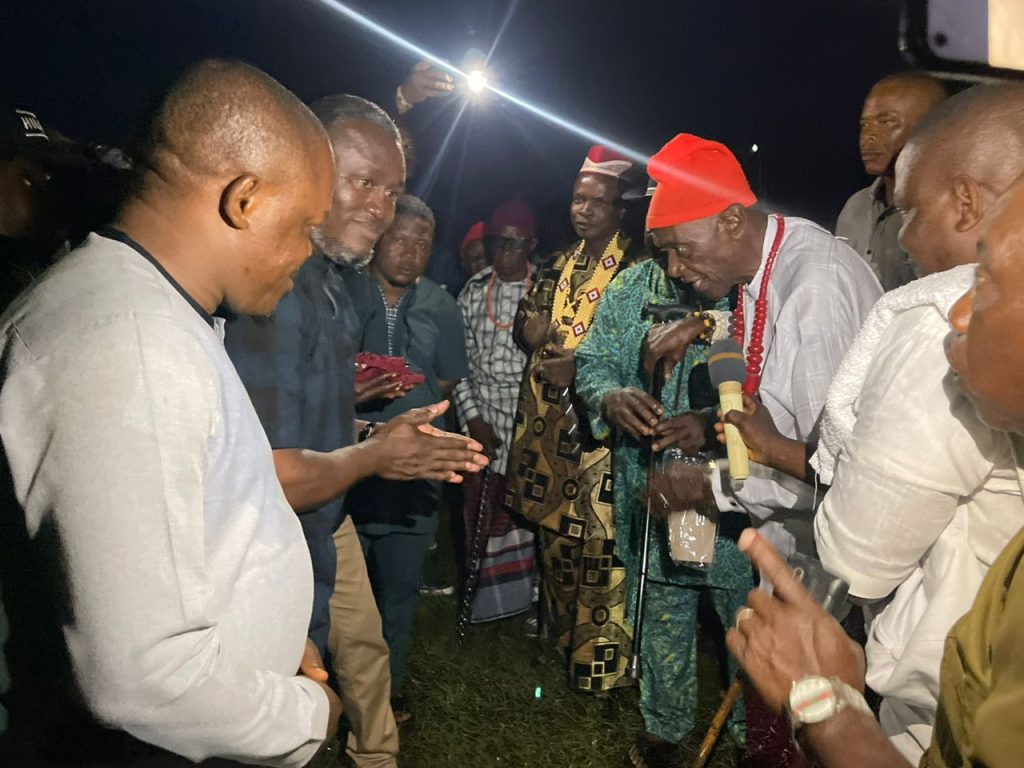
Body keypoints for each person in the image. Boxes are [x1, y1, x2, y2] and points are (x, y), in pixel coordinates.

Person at [0, 59, 341, 767]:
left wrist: (267, 638)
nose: (307, 254)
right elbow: (139, 677)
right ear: (244, 199)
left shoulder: (152, 314)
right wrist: (304, 715)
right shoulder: (129, 341)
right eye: (306, 225)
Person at [720, 83, 1024, 761]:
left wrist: (821, 705)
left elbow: (855, 558)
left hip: (944, 711)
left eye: (909, 212)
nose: (901, 237)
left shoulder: (929, 326)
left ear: (969, 204)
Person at [225, 94, 485, 768]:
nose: (380, 207)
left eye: (393, 191)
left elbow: (300, 415)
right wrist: (376, 456)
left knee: (365, 650)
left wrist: (366, 417)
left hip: (322, 513)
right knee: (288, 702)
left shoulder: (332, 284)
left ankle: (378, 753)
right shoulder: (270, 287)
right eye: (364, 183)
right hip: (275, 538)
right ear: (306, 170)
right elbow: (261, 467)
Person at [631, 132, 881, 766]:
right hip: (803, 553)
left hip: (842, 571)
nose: (676, 272)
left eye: (681, 251)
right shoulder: (765, 267)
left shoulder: (815, 288)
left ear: (732, 219)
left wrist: (706, 487)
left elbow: (830, 467)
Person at [574, 142, 741, 768]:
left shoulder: (737, 286)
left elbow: (769, 376)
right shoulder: (630, 287)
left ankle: (758, 734)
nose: (671, 257)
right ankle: (665, 729)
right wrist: (613, 395)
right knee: (664, 610)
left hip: (729, 493)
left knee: (741, 613)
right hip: (657, 484)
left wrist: (706, 415)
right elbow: (592, 363)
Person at [505, 146, 645, 694]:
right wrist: (533, 331)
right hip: (548, 431)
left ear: (618, 210)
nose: (583, 210)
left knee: (602, 551)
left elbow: (640, 347)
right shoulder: (556, 264)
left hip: (601, 436)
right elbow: (526, 326)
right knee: (557, 545)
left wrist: (583, 367)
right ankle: (561, 648)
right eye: (577, 199)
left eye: (596, 202)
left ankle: (601, 672)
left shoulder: (637, 269)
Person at [344, 194, 468, 722]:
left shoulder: (441, 303)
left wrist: (412, 407)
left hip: (417, 466)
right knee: (342, 593)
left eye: (423, 243)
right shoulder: (345, 292)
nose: (411, 252)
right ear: (378, 238)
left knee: (398, 590)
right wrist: (357, 395)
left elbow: (448, 376)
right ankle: (336, 695)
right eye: (400, 238)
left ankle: (386, 699)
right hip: (350, 462)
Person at [454, 199, 538, 625]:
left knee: (527, 514)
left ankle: (526, 605)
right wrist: (473, 419)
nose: (504, 253)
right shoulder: (472, 292)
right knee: (480, 512)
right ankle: (486, 605)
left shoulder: (547, 291)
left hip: (533, 422)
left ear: (531, 245)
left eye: (515, 244)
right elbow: (458, 367)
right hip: (483, 416)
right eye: (496, 243)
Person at [836, 72, 947, 291]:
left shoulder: (949, 213)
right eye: (865, 125)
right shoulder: (855, 209)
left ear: (931, 127)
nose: (868, 137)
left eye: (886, 122)